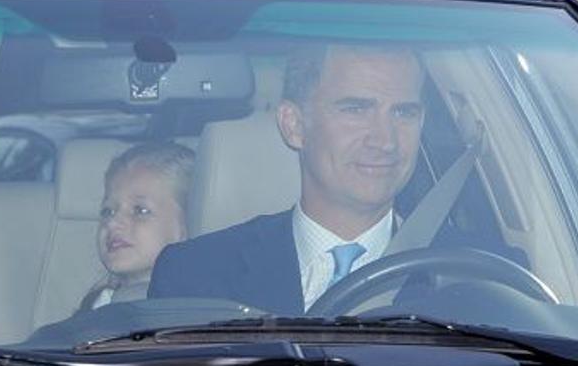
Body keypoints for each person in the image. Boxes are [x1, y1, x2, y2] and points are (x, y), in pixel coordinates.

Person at [148, 43, 425, 314]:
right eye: (355, 109)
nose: (385, 141)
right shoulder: (195, 275)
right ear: (294, 125)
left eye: (404, 112)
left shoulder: (460, 273)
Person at [79, 141, 195, 311]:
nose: (112, 223)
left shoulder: (195, 311)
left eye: (140, 210)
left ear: (189, 223)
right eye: (107, 211)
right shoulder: (96, 305)